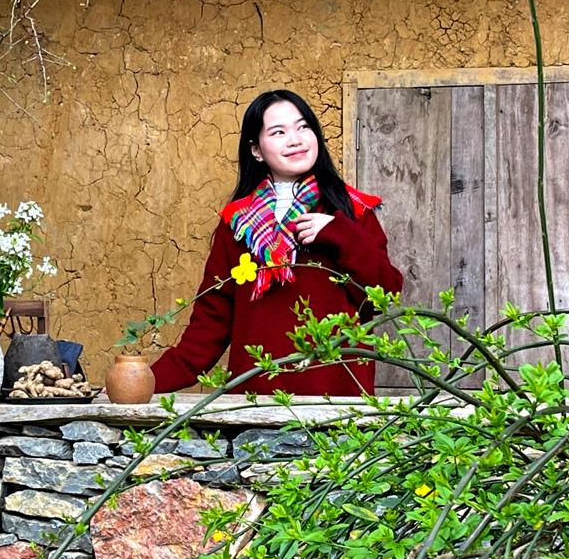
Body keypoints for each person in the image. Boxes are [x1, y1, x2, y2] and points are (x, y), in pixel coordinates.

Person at [151, 89, 404, 396]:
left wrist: (340, 234)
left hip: (335, 410)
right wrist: (145, 383)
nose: (295, 139)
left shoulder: (353, 211)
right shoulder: (238, 224)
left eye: (303, 127)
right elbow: (211, 323)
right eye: (279, 132)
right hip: (253, 407)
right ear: (257, 150)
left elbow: (384, 293)